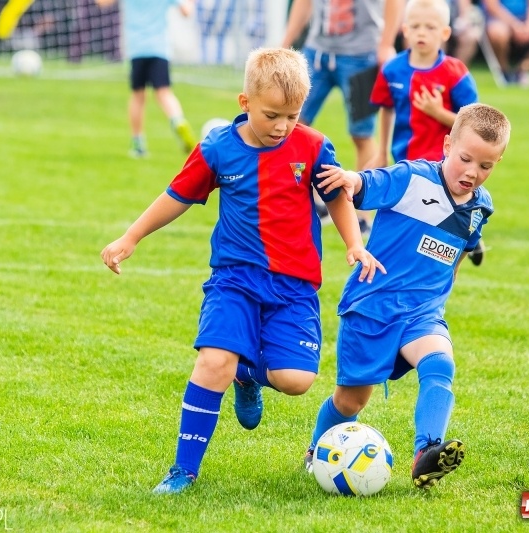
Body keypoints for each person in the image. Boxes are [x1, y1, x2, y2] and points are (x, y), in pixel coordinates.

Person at [101, 47, 385, 495]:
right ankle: (183, 471)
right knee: (213, 361)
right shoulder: (218, 149)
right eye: (272, 114)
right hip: (234, 279)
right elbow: (176, 195)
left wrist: (354, 244)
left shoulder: (312, 145)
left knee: (296, 381)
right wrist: (130, 237)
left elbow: (335, 196)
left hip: (295, 287)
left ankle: (246, 375)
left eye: (292, 116)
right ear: (245, 102)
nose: (281, 126)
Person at [303, 103, 511, 490]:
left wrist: (439, 297)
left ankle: (426, 453)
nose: (472, 173)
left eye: (486, 166)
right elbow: (368, 183)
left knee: (440, 364)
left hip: (422, 314)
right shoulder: (413, 178)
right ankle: (317, 451)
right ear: (447, 144)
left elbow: (464, 248)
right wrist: (349, 177)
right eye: (465, 159)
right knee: (351, 403)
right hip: (373, 307)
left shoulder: (481, 206)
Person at [370, 0, 485, 265]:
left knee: (444, 211)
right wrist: (381, 151)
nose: (422, 33)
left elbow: (472, 122)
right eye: (416, 26)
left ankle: (470, 235)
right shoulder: (392, 70)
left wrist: (438, 112)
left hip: (443, 162)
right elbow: (386, 109)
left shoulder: (455, 73)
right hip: (406, 158)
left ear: (445, 33)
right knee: (408, 216)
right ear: (404, 30)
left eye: (430, 27)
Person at [281, 0, 404, 234]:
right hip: (315, 54)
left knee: (361, 134)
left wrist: (386, 44)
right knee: (290, 126)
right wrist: (286, 44)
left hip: (361, 56)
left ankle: (362, 216)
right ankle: (302, 202)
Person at [96, 0, 197, 158]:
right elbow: (186, 11)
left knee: (138, 96)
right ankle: (178, 121)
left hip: (137, 49)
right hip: (159, 49)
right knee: (164, 93)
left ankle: (138, 144)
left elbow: (102, 3)